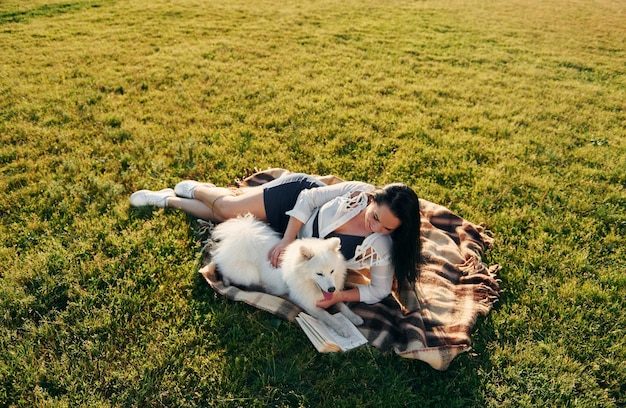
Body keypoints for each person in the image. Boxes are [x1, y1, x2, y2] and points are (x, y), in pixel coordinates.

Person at [130, 173, 421, 308]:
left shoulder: (382, 247)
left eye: (387, 228)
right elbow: (309, 197)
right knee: (230, 209)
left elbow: (380, 289)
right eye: (374, 217)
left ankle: (168, 200)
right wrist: (285, 241)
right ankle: (196, 190)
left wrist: (339, 296)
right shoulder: (359, 192)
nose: (376, 227)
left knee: (225, 218)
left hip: (300, 240)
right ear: (372, 200)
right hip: (295, 202)